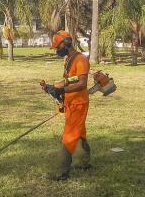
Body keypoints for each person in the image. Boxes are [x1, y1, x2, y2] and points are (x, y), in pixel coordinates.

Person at [43, 30, 91, 181]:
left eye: (58, 47)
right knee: (80, 134)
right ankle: (85, 163)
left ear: (67, 43)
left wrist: (61, 89)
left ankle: (62, 172)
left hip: (79, 103)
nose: (57, 50)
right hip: (71, 102)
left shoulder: (80, 60)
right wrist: (53, 88)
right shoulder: (68, 60)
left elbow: (82, 83)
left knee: (69, 137)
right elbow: (70, 80)